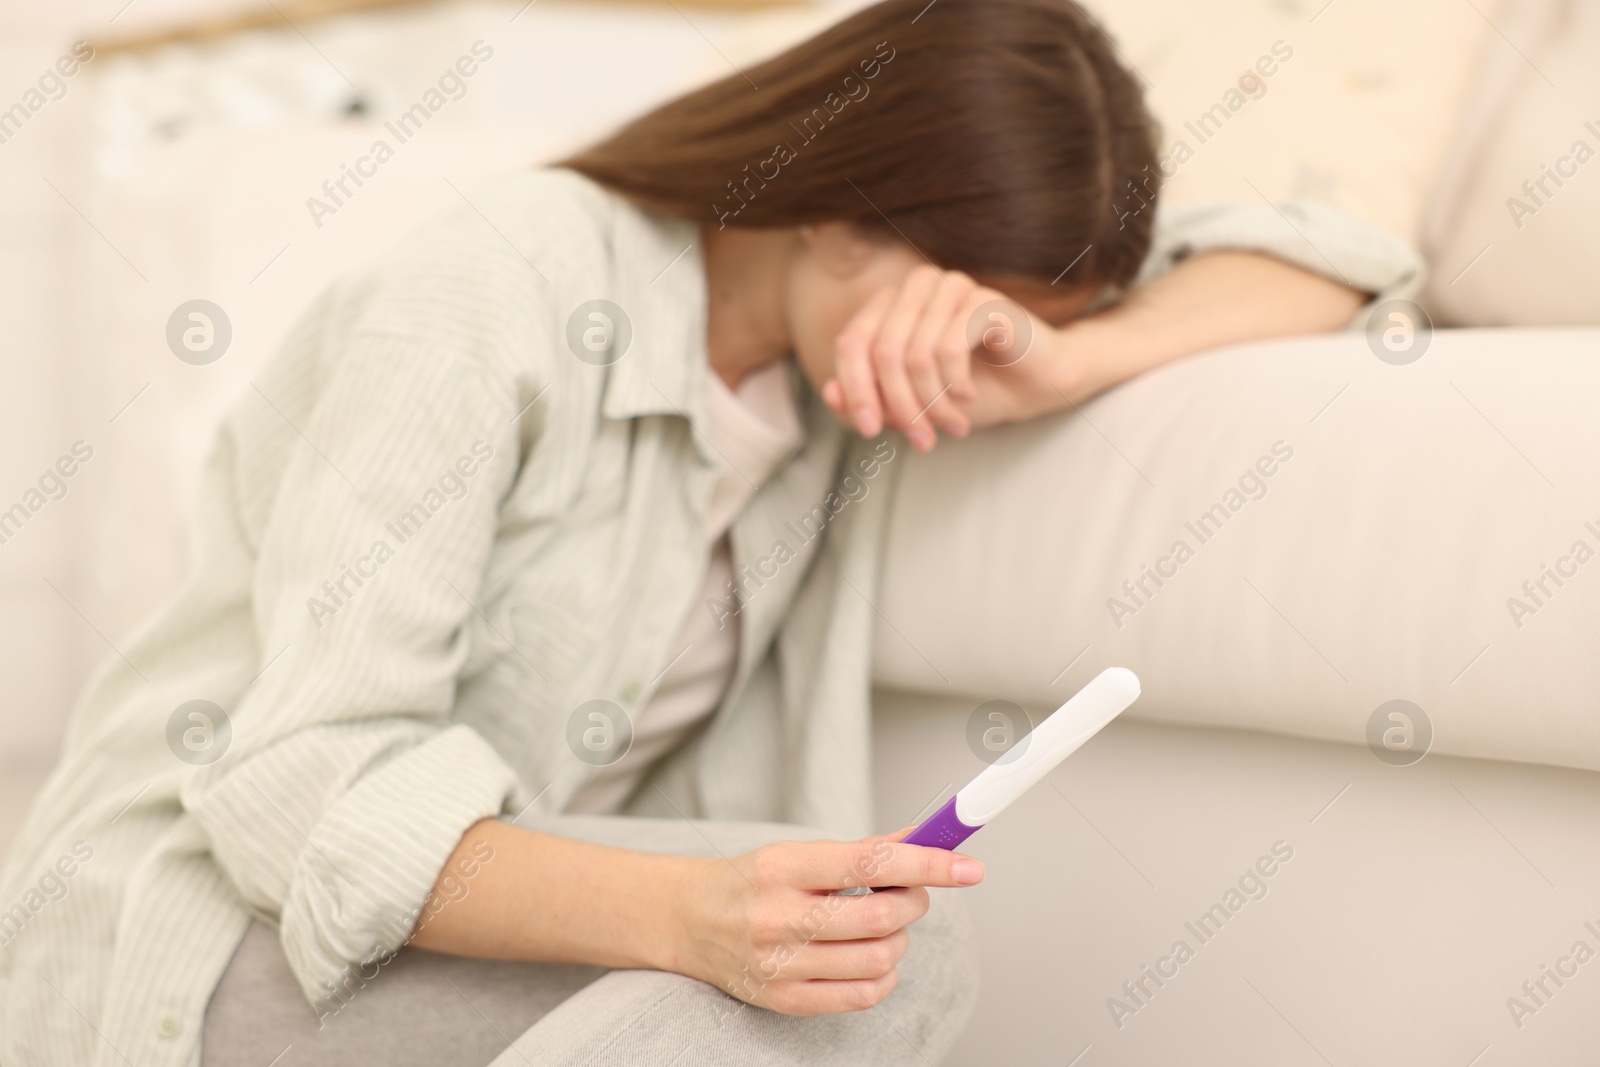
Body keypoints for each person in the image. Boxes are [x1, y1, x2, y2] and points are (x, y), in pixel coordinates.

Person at [0, 0, 1417, 1064]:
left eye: (1004, 341)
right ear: (839, 216)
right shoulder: (494, 287)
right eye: (964, 312)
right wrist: (685, 916)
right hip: (200, 932)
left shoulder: (831, 384)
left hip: (457, 942)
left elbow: (1349, 260)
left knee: (859, 963)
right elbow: (296, 788)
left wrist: (1073, 357)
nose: (969, 376)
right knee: (870, 973)